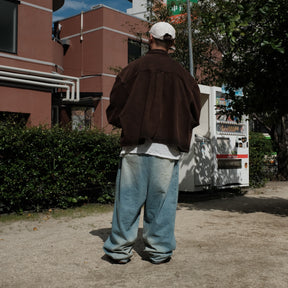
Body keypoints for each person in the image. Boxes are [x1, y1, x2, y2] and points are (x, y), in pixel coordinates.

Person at [103, 22, 201, 264]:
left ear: (149, 39)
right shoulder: (184, 77)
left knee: (127, 202)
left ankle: (118, 251)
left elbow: (114, 109)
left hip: (134, 146)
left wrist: (128, 122)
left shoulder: (131, 70)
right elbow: (194, 113)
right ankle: (159, 251)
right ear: (173, 44)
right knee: (162, 205)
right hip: (167, 149)